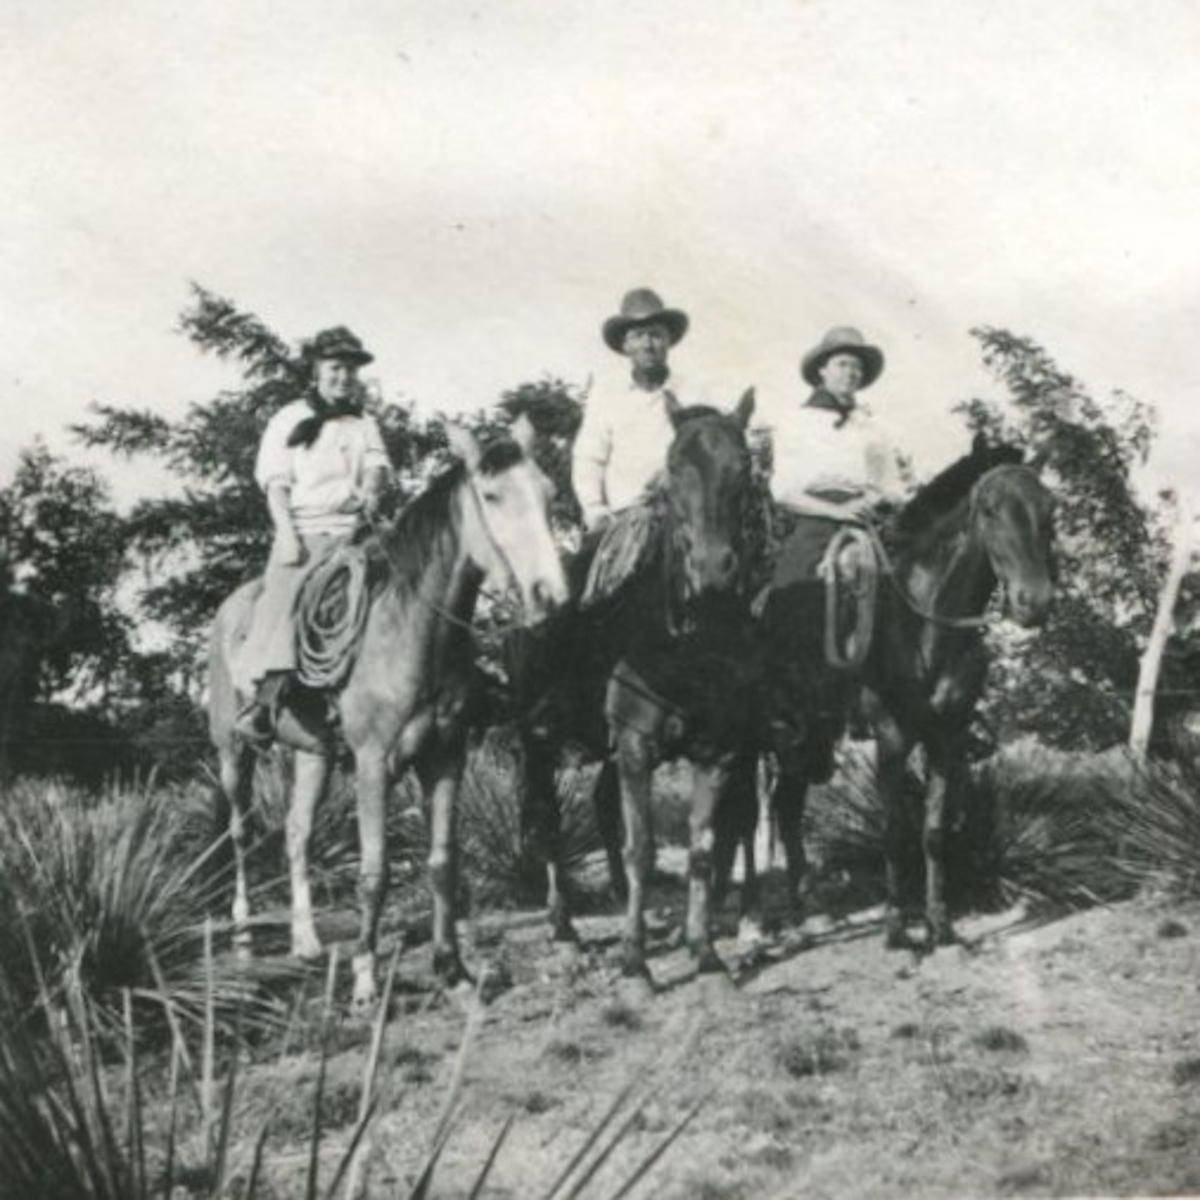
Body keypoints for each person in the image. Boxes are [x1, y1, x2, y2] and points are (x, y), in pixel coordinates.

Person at [233, 326, 390, 744]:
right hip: (307, 530)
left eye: (351, 370)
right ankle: (265, 702)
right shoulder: (288, 419)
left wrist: (370, 493)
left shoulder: (364, 423)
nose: (344, 377)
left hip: (357, 532)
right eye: (336, 368)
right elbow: (276, 484)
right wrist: (286, 535)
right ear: (317, 370)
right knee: (284, 599)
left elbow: (376, 466)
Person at [764, 326, 902, 776]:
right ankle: (787, 708)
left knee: (907, 598)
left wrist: (872, 503)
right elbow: (783, 490)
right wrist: (833, 512)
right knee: (792, 597)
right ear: (821, 371)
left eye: (857, 367)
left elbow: (891, 487)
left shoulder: (874, 426)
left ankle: (905, 699)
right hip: (815, 520)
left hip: (865, 520)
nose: (851, 373)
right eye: (843, 364)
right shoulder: (797, 420)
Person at [572, 287, 703, 535]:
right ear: (625, 345)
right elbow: (589, 458)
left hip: (685, 517)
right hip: (624, 519)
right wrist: (594, 508)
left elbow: (710, 450)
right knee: (579, 569)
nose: (648, 345)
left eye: (656, 335)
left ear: (668, 342)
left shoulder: (692, 392)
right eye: (639, 336)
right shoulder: (607, 396)